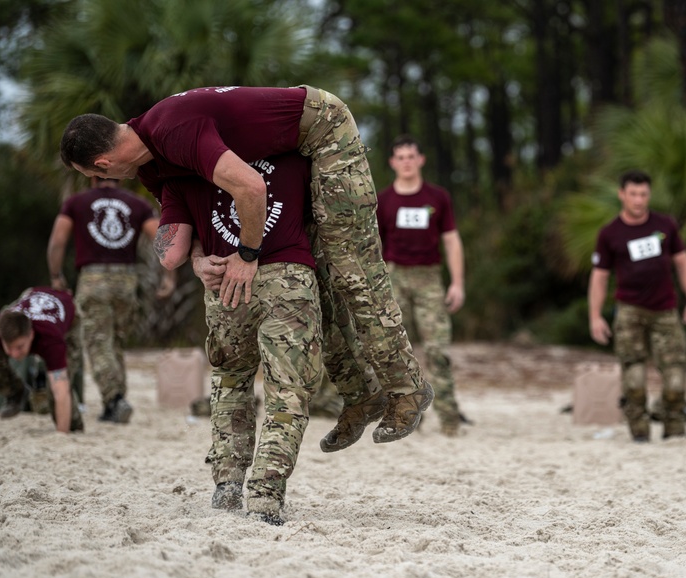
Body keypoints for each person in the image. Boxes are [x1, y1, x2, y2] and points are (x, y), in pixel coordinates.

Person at [59, 85, 432, 442]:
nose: (99, 180)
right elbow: (175, 238)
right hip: (292, 150)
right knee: (321, 285)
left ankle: (408, 389)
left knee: (354, 275)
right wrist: (198, 258)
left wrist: (247, 255)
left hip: (324, 127)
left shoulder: (171, 130)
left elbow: (251, 187)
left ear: (102, 163)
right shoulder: (151, 162)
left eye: (93, 174)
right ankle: (361, 397)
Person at [155, 151, 326, 525]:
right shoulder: (295, 157)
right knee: (289, 389)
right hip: (288, 278)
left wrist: (199, 257)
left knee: (231, 380)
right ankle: (266, 495)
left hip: (224, 283)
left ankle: (228, 485)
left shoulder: (184, 167)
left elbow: (169, 254)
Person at [47, 175, 175, 424]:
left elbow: (57, 241)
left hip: (93, 279)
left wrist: (56, 276)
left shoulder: (77, 202)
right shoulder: (137, 203)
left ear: (92, 176)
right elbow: (164, 240)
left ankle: (115, 399)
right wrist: (169, 278)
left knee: (98, 342)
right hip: (126, 281)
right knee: (115, 340)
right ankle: (114, 403)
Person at [588, 170, 686, 442]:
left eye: (643, 194)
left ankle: (674, 429)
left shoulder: (665, 225)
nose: (638, 200)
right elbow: (599, 277)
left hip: (665, 310)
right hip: (629, 311)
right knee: (634, 381)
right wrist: (595, 316)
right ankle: (639, 432)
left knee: (676, 379)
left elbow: (683, 263)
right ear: (622, 195)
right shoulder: (610, 233)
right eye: (633, 194)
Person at [377, 135, 465, 437]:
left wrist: (457, 282)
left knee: (437, 349)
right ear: (392, 163)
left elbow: (451, 240)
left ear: (421, 160)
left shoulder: (437, 197)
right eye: (400, 157)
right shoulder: (384, 200)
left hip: (429, 278)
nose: (406, 162)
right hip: (395, 277)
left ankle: (450, 419)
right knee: (400, 351)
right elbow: (374, 246)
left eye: (411, 156)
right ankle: (408, 418)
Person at [0, 287, 84, 433]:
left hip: (69, 312)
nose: (14, 354)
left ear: (31, 335)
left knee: (56, 387)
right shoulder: (2, 329)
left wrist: (61, 436)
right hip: (30, 294)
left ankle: (74, 424)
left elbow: (60, 390)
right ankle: (15, 391)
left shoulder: (51, 340)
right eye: (9, 347)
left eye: (20, 347)